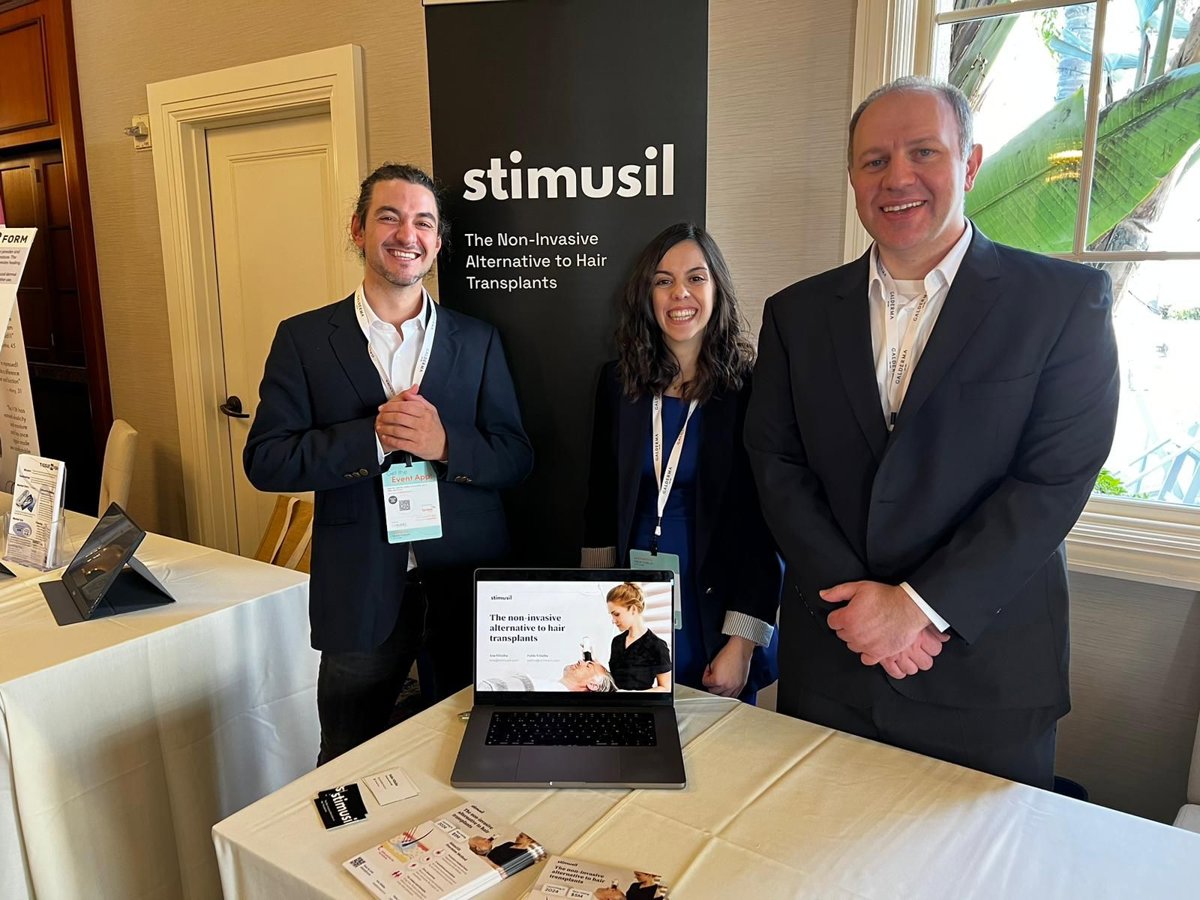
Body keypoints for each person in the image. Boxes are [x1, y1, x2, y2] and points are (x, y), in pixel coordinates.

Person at [744, 76, 1120, 788]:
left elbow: (1053, 479)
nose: (898, 178)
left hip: (985, 674)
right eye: (874, 160)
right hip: (835, 663)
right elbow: (776, 464)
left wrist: (917, 609)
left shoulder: (1064, 303)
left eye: (924, 152)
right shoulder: (795, 314)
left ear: (969, 164)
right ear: (853, 177)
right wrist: (862, 610)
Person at [245, 163, 533, 763]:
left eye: (423, 222)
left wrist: (446, 444)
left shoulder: (477, 340)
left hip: (467, 586)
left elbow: (515, 457)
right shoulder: (303, 339)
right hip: (360, 590)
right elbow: (266, 461)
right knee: (346, 759)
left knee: (469, 752)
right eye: (390, 217)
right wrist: (370, 440)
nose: (408, 234)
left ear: (438, 240)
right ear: (358, 229)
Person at [582, 223, 781, 701]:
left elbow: (764, 527)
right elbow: (600, 500)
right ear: (646, 294)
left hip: (713, 603)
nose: (680, 294)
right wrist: (591, 602)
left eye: (695, 278)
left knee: (719, 739)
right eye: (663, 280)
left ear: (716, 290)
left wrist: (742, 643)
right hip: (633, 598)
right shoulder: (618, 384)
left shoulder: (749, 390)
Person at [604, 582, 671, 692]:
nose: (613, 620)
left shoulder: (657, 646)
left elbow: (665, 688)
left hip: (641, 702)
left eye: (616, 614)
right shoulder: (617, 641)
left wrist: (633, 695)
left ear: (633, 609)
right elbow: (618, 679)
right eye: (611, 615)